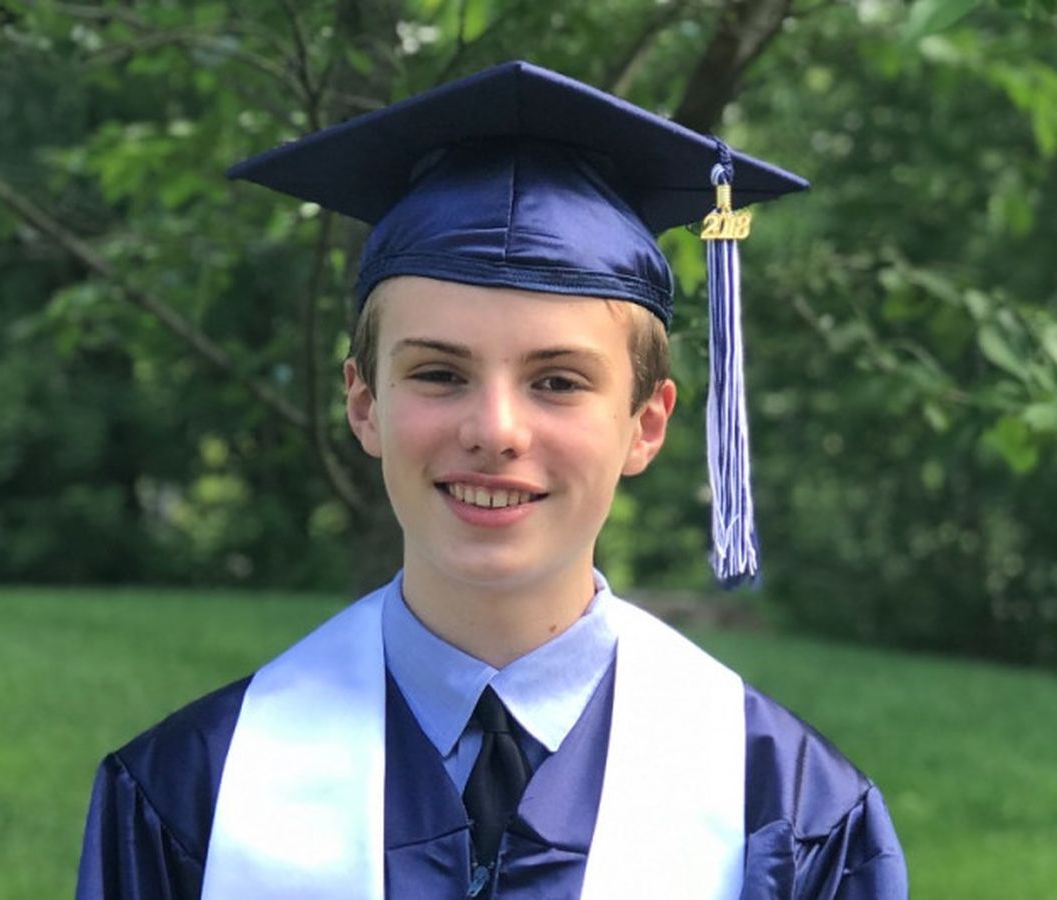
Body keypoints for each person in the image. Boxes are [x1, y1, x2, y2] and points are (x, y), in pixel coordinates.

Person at [75, 61, 908, 899]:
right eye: (439, 374)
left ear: (646, 424)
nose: (496, 431)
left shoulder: (786, 816)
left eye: (558, 382)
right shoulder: (194, 797)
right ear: (364, 405)